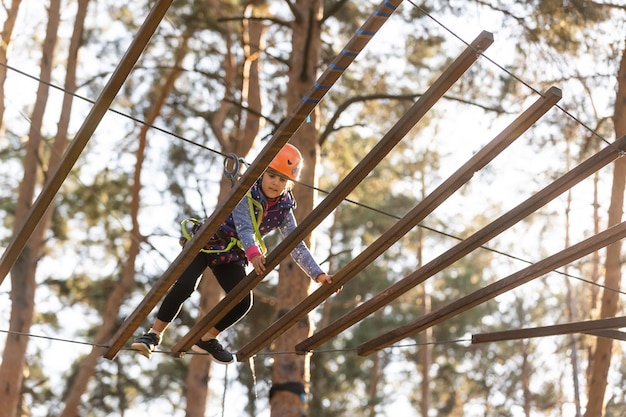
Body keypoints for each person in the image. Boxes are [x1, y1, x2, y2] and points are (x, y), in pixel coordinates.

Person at [131, 144, 333, 363]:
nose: (276, 183)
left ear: (290, 184)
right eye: (272, 175)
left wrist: (317, 274)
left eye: (282, 179)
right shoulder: (245, 189)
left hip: (232, 254)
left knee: (242, 300)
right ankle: (154, 334)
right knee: (185, 284)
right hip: (209, 241)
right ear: (262, 172)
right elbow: (245, 227)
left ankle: (208, 338)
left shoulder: (283, 209)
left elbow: (296, 244)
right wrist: (254, 253)